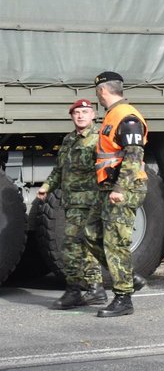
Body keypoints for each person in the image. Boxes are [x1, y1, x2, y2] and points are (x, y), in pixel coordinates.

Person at [87, 72, 148, 318]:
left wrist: (120, 189)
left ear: (103, 90)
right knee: (90, 234)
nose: (97, 97)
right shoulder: (112, 116)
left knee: (115, 242)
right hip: (108, 188)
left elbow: (133, 156)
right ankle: (127, 276)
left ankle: (123, 298)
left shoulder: (127, 117)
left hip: (124, 189)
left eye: (97, 92)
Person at [38, 99, 107, 310]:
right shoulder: (69, 140)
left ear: (93, 114)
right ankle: (95, 289)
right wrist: (47, 186)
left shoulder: (99, 138)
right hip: (71, 202)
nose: (80, 116)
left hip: (90, 202)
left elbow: (108, 170)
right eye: (76, 112)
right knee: (80, 246)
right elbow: (60, 170)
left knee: (73, 246)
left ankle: (75, 291)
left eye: (85, 112)